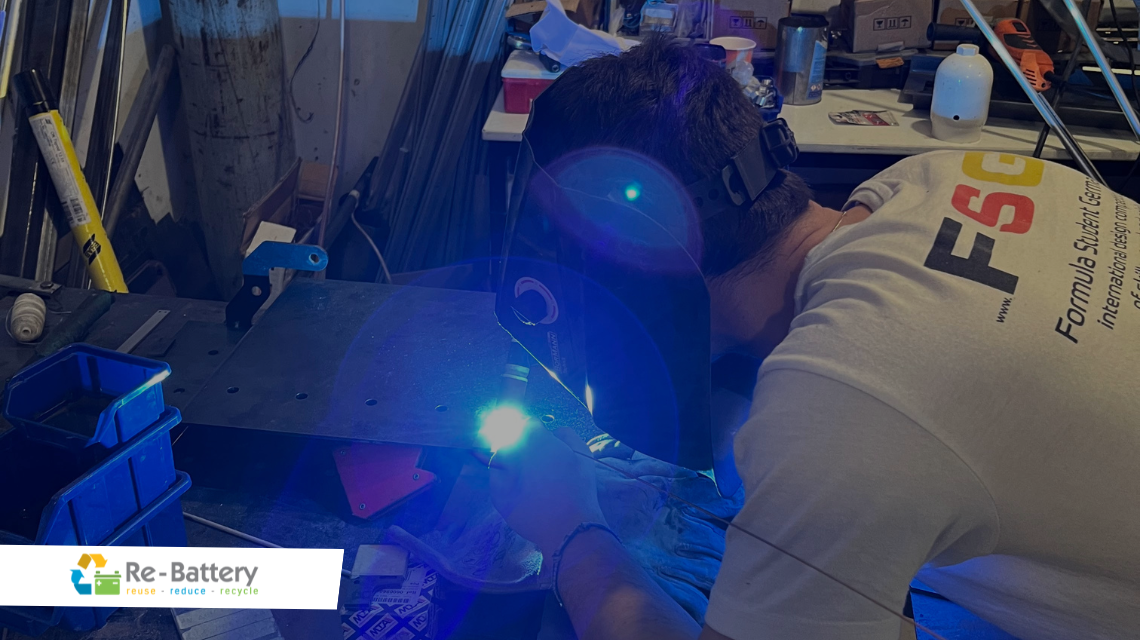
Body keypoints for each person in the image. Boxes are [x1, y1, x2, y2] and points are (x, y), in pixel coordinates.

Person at [485, 35, 1140, 640]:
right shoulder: (931, 178)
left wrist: (572, 531)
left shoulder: (850, 406)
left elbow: (860, 418)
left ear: (635, 266)